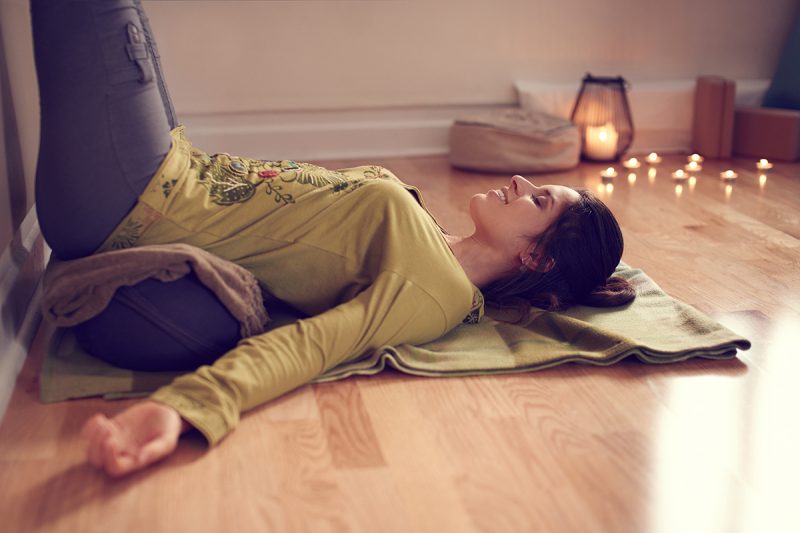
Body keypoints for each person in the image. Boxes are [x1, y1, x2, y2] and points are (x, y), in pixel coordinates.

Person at [30, 0, 635, 477]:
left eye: (539, 199)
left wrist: (181, 408)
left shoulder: (434, 293)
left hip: (136, 201)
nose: (521, 181)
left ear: (535, 255)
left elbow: (312, 347)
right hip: (172, 168)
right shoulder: (436, 240)